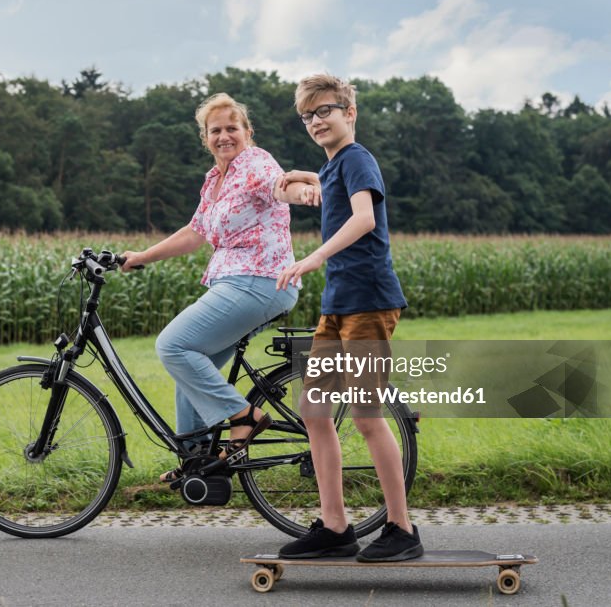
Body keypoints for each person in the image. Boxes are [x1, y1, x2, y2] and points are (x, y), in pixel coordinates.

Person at [122, 93, 319, 482]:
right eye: (216, 130)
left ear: (247, 132)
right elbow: (195, 233)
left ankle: (244, 415)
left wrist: (303, 190)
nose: (224, 136)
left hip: (259, 281)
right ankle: (200, 467)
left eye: (233, 128)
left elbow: (280, 187)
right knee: (193, 372)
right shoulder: (214, 181)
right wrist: (142, 256)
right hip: (239, 284)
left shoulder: (254, 162)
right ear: (205, 138)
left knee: (173, 346)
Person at [275, 74, 422, 562]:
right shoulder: (336, 166)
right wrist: (301, 176)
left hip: (368, 302)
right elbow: (326, 185)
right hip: (337, 307)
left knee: (365, 416)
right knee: (313, 410)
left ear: (349, 113)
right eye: (308, 115)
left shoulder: (358, 159)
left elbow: (364, 219)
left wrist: (313, 257)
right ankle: (336, 526)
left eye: (326, 111)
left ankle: (402, 529)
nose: (317, 121)